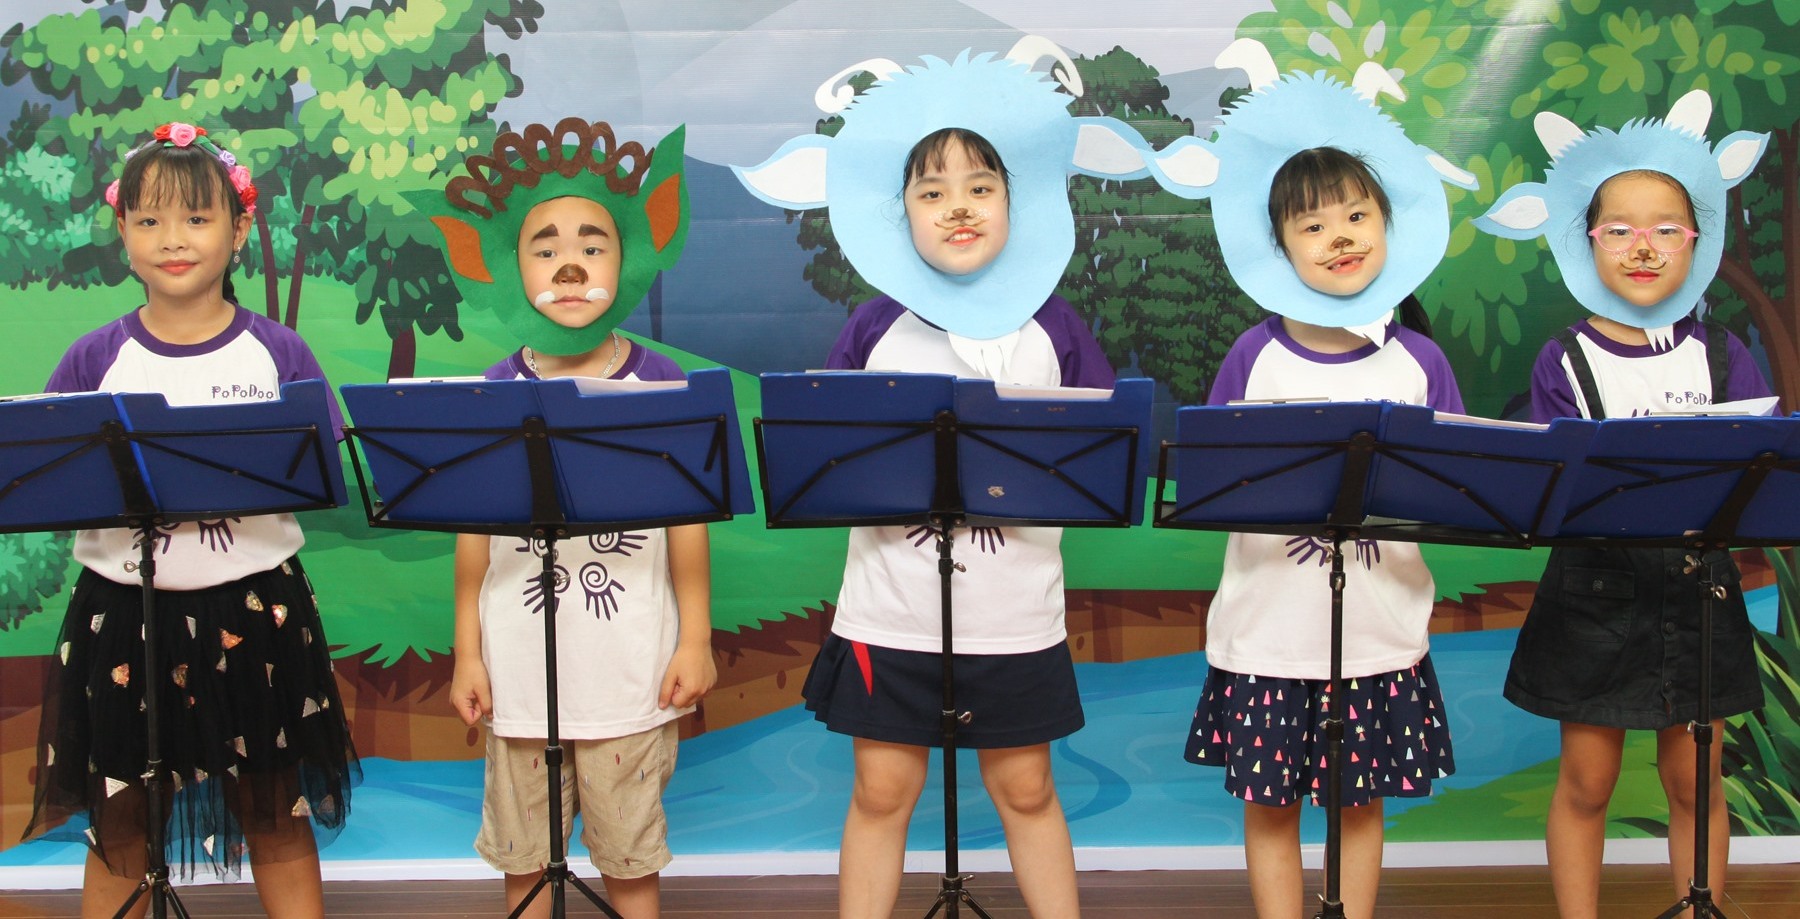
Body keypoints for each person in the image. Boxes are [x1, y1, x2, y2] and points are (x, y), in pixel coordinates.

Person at [23, 122, 358, 919]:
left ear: (239, 231)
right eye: (149, 220)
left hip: (257, 612)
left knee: (274, 810)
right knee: (122, 818)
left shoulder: (278, 352)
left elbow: (325, 466)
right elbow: (47, 474)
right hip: (121, 618)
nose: (173, 239)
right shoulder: (93, 359)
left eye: (197, 218)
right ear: (122, 233)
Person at [800, 127, 1112, 919]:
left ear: (1013, 204)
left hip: (1015, 617)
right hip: (890, 612)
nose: (958, 208)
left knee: (1028, 787)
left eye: (980, 188)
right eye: (931, 193)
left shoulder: (1056, 326)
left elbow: (1106, 456)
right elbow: (826, 458)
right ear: (902, 214)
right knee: (881, 790)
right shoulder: (873, 326)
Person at [432, 119, 714, 919]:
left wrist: (694, 639)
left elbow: (688, 524)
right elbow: (473, 537)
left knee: (630, 859)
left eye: (593, 244)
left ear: (630, 257)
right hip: (518, 679)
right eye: (545, 246)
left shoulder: (661, 384)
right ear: (503, 267)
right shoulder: (493, 391)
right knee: (524, 860)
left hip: (631, 673)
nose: (569, 264)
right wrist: (468, 653)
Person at [1185, 147, 1461, 919]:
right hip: (1268, 635)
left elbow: (1457, 489)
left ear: (1388, 227)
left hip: (1379, 635)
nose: (1339, 236)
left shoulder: (1420, 360)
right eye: (1312, 224)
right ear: (1279, 247)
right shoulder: (1255, 355)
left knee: (1360, 803)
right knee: (1270, 806)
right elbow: (1213, 484)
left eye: (1357, 215)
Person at [1504, 169, 1771, 919]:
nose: (1643, 248)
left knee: (1696, 782)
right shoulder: (1564, 359)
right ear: (1589, 245)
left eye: (1666, 230)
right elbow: (1556, 491)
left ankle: (1698, 908)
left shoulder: (1723, 355)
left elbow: (1756, 475)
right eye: (1619, 230)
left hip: (1700, 591)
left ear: (1696, 244)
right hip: (1595, 596)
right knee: (1587, 783)